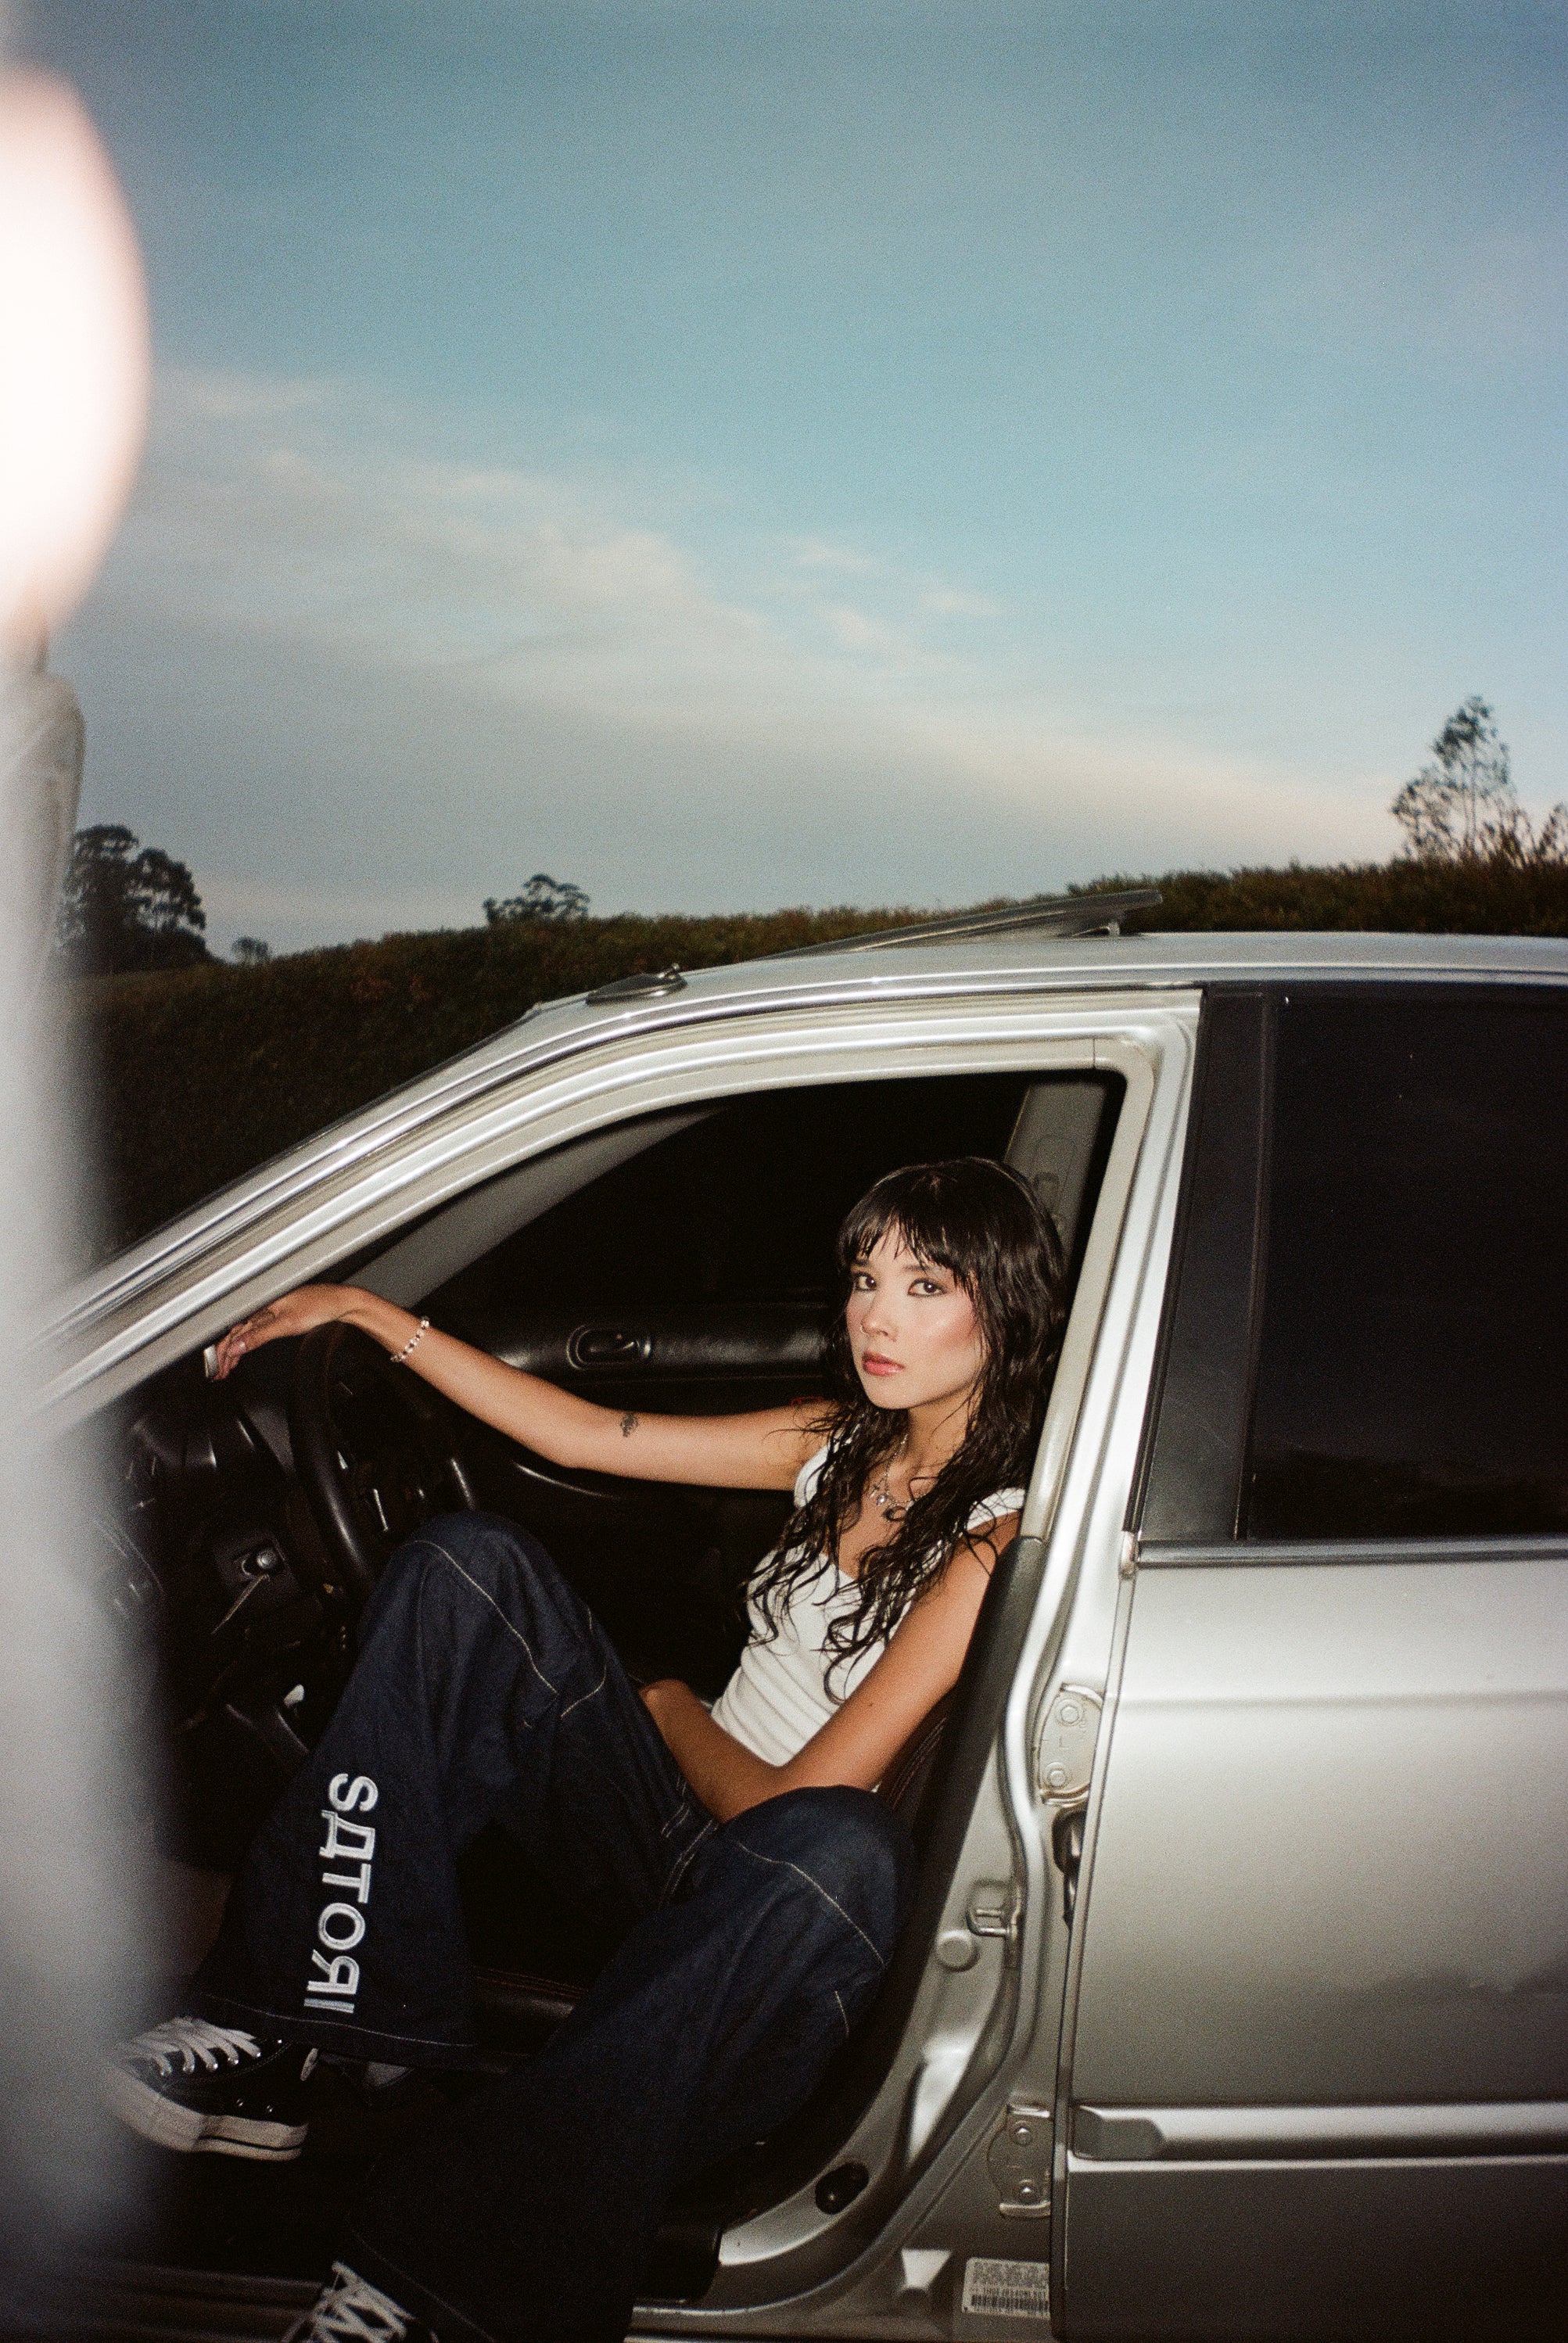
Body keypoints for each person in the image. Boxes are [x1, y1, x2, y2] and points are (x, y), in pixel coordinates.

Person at [106, 1157, 1067, 2343]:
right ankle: (289, 2036)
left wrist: (664, 1706)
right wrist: (370, 1315)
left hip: (777, 1896)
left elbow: (803, 1794)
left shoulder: (995, 1536)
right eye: (866, 1279)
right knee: (468, 1567)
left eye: (925, 1287)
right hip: (665, 1827)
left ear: (1005, 1308)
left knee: (844, 1842)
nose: (876, 1316)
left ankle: (434, 2278)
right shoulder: (837, 1440)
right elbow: (580, 1433)